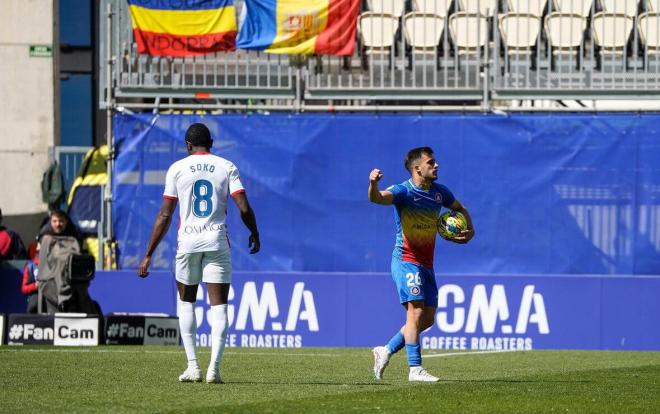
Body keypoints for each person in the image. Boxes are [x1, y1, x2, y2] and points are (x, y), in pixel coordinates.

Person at [138, 123, 260, 384]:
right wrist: (255, 233)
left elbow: (165, 214)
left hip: (188, 242)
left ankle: (193, 366)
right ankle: (214, 369)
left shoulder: (177, 168)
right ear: (212, 143)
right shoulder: (227, 166)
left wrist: (148, 253)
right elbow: (244, 207)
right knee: (219, 306)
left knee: (186, 302)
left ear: (188, 145)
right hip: (216, 241)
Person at [368, 147, 474, 382]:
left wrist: (470, 232)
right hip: (405, 260)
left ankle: (385, 350)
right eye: (431, 162)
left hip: (426, 264)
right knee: (415, 311)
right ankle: (415, 369)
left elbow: (460, 208)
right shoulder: (404, 191)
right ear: (417, 168)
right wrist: (373, 184)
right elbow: (377, 198)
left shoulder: (439, 192)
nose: (436, 166)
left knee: (426, 319)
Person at [21, 244, 40, 313]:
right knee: (34, 304)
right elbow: (24, 288)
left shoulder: (53, 264)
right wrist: (35, 285)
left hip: (51, 295)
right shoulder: (30, 266)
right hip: (36, 296)